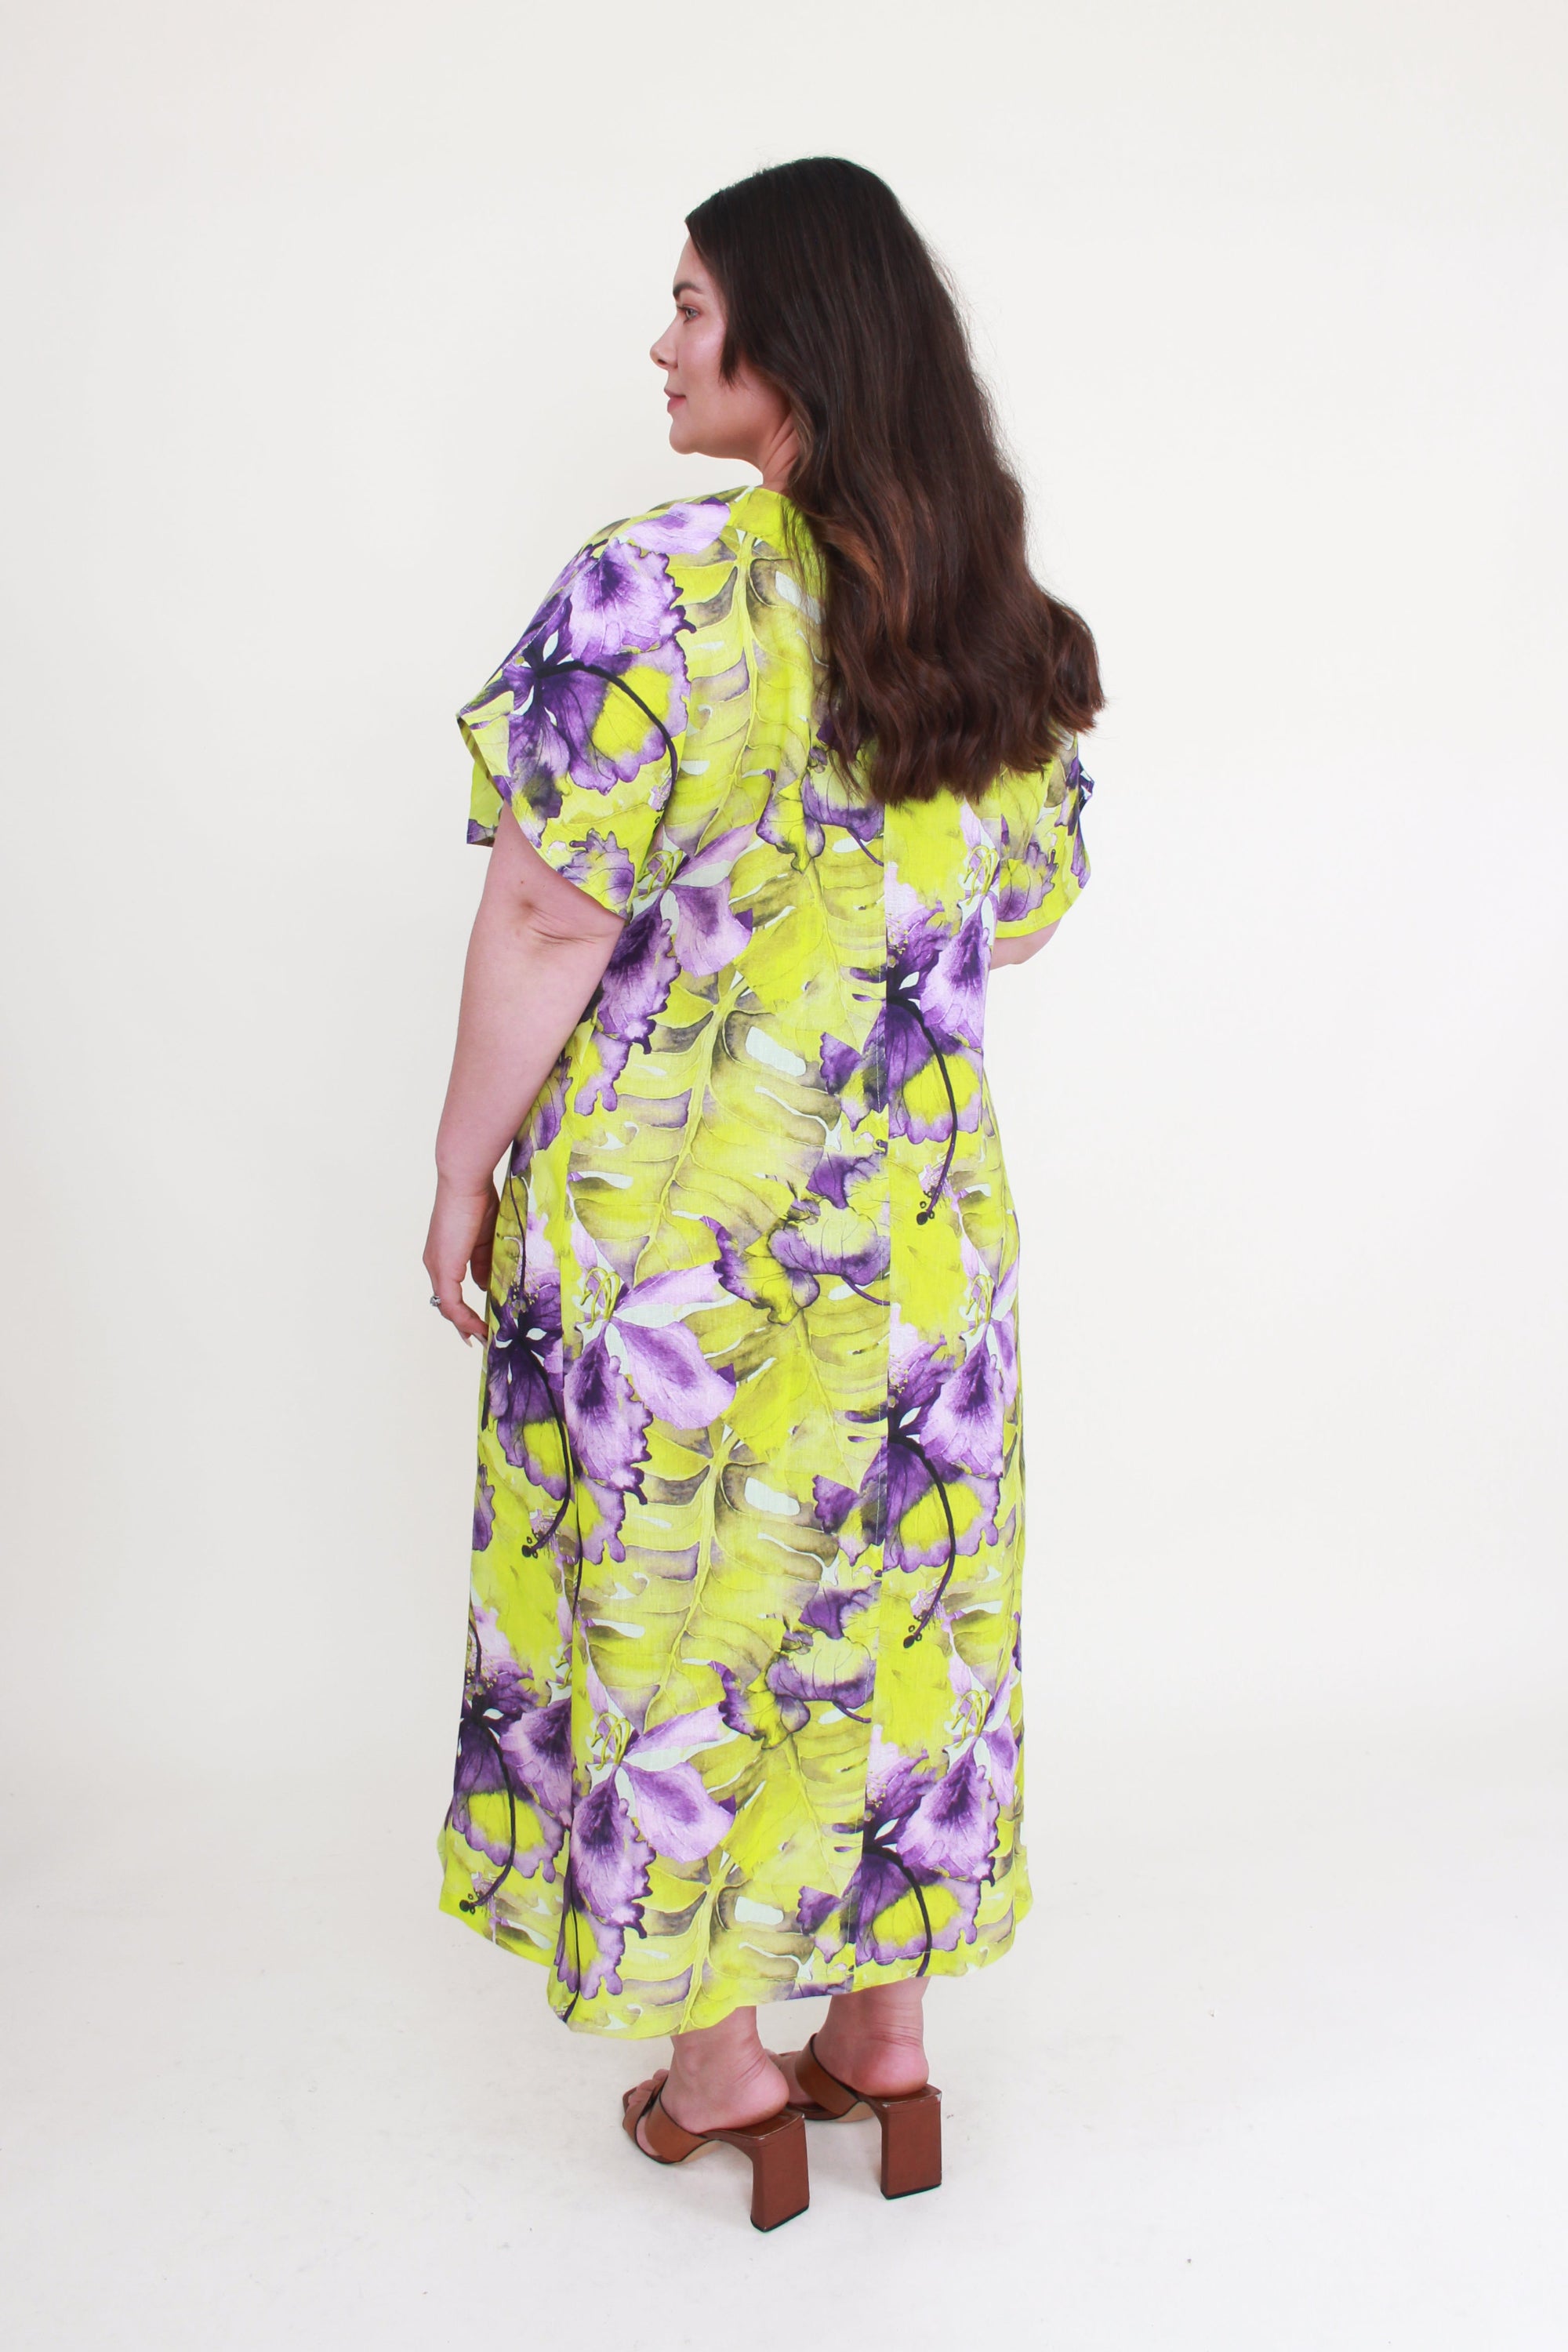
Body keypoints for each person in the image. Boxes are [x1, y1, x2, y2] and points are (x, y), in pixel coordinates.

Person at [423, 155, 1101, 2230]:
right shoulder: (1001, 622)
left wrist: (460, 1167)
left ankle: (720, 2074)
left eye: (693, 309)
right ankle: (884, 2055)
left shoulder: (656, 588)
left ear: (791, 347)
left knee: (692, 1635)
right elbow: (1035, 910)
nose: (661, 342)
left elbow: (547, 915)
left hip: (679, 1240)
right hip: (917, 1244)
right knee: (886, 1622)